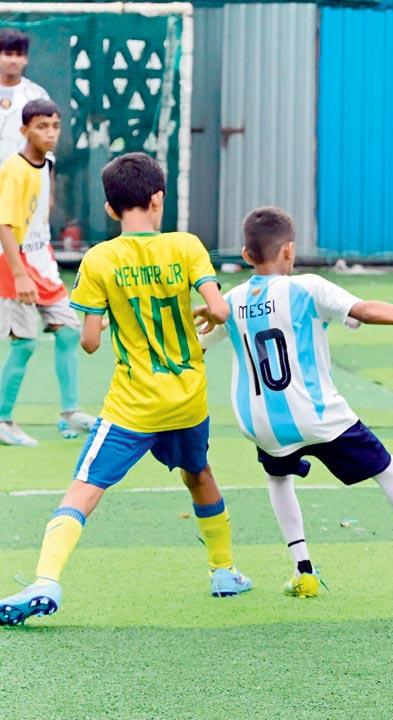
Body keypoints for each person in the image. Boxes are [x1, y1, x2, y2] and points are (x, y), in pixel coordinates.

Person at [0, 152, 250, 625]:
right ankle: (224, 571)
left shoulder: (100, 259)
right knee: (199, 474)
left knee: (84, 489)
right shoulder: (187, 246)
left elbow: (91, 343)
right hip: (188, 395)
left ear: (111, 209)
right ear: (159, 198)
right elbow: (219, 311)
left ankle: (46, 579)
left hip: (134, 403)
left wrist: (118, 315)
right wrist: (198, 312)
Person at [199, 206, 393, 596]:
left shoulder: (229, 302)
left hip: (261, 423)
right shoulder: (307, 287)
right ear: (289, 251)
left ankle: (304, 570)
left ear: (246, 255)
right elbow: (365, 311)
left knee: (277, 476)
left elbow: (194, 345)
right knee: (387, 470)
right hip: (317, 416)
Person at [0, 99, 95, 447]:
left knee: (68, 331)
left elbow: (42, 208)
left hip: (43, 261)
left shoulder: (48, 163)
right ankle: (3, 418)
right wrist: (19, 274)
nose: (50, 133)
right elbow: (5, 226)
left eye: (55, 126)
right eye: (42, 126)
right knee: (24, 344)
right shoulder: (14, 169)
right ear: (25, 130)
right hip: (16, 265)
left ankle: (69, 412)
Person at [0, 28, 50, 162]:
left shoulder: (37, 95)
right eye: (8, 54)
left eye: (19, 55)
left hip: (24, 174)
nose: (13, 60)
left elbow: (46, 140)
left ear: (25, 59)